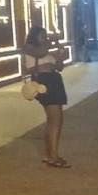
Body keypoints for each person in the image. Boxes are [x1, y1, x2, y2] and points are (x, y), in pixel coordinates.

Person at [24, 26, 70, 168]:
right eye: (42, 35)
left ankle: (48, 154)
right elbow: (41, 52)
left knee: (53, 120)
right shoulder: (29, 47)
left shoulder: (47, 50)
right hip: (44, 83)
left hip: (54, 81)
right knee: (55, 120)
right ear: (34, 36)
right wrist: (50, 42)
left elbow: (60, 66)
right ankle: (53, 157)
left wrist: (59, 51)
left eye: (45, 35)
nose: (45, 38)